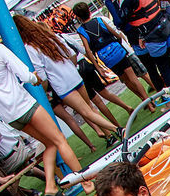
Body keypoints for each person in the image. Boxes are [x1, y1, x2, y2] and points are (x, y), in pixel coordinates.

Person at [0, 16, 86, 196]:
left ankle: (50, 185)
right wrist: (32, 78)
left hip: (9, 115)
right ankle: (84, 181)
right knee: (59, 139)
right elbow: (25, 74)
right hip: (23, 104)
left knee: (49, 143)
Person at [13, 15, 120, 152]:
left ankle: (116, 130)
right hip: (73, 75)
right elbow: (71, 53)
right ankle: (110, 134)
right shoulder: (49, 36)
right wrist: (70, 67)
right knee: (89, 108)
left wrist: (44, 90)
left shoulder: (29, 48)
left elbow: (43, 76)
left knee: (86, 112)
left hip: (62, 85)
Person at [72, 2, 151, 107]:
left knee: (126, 80)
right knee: (133, 77)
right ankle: (149, 102)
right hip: (117, 51)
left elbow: (88, 51)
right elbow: (116, 34)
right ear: (89, 11)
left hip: (106, 57)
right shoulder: (99, 21)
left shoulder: (81, 30)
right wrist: (120, 43)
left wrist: (98, 67)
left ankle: (143, 100)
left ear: (78, 17)